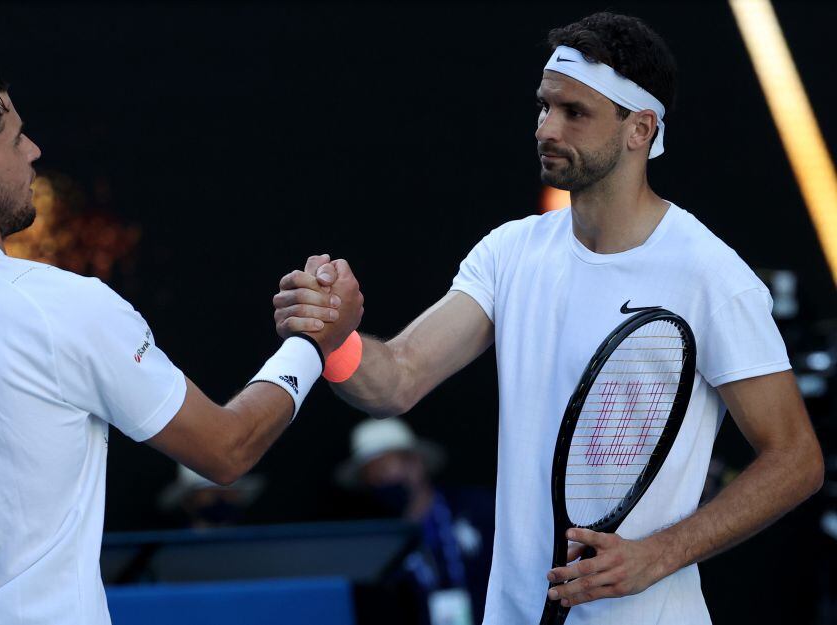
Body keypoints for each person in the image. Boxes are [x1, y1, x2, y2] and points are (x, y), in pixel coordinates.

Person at [0, 42, 362, 625]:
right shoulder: (67, 307)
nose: (33, 151)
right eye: (14, 139)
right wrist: (311, 344)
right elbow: (226, 450)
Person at [274, 12, 824, 624]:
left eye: (574, 113)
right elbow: (397, 380)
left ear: (640, 128)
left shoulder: (711, 277)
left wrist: (656, 555)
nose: (546, 128)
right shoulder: (510, 252)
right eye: (544, 107)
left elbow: (796, 460)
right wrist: (338, 340)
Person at [338, 418, 493, 625]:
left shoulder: (477, 509)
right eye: (370, 474)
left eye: (385, 467)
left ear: (416, 462)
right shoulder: (374, 545)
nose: (380, 480)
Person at [158, 463, 265, 529]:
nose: (220, 499)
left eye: (226, 493)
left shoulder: (259, 546)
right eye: (211, 493)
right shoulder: (172, 552)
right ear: (188, 501)